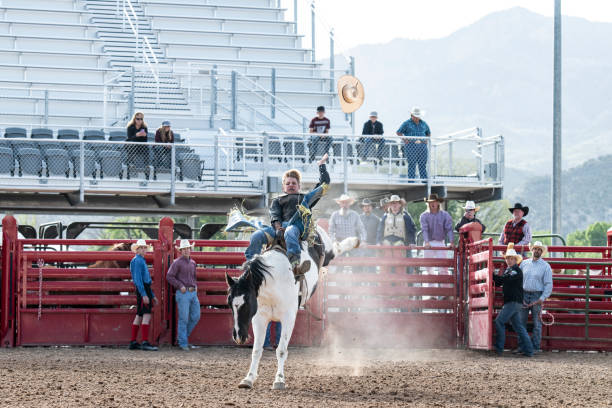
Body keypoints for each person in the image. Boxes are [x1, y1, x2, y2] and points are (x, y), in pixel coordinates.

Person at [244, 154, 330, 276]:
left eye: (294, 183)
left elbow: (324, 184)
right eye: (288, 183)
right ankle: (251, 266)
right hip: (278, 228)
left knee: (289, 231)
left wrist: (322, 166)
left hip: (297, 228)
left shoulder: (306, 198)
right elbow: (275, 216)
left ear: (299, 186)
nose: (291, 185)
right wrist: (278, 228)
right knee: (257, 235)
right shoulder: (277, 200)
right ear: (283, 187)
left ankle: (295, 264)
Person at [492, 243, 534, 357]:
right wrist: (493, 275)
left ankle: (499, 348)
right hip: (514, 302)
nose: (509, 260)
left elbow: (503, 280)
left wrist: (492, 274)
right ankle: (529, 350)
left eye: (511, 258)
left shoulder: (515, 271)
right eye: (507, 258)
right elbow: (501, 281)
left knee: (499, 321)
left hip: (513, 302)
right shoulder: (510, 270)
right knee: (519, 327)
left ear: (515, 260)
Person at [516, 241, 553, 354]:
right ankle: (522, 347)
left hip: (537, 295)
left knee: (537, 323)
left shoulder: (545, 266)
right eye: (535, 249)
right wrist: (519, 295)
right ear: (532, 250)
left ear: (541, 252)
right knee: (521, 322)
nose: (537, 251)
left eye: (539, 250)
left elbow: (548, 283)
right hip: (524, 294)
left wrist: (543, 297)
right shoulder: (523, 264)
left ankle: (536, 347)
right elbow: (518, 280)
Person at [166, 239, 201, 351]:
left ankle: (183, 338)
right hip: (183, 293)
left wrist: (195, 285)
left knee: (196, 316)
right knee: (184, 319)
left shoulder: (193, 263)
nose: (186, 250)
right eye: (184, 249)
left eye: (187, 248)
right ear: (180, 251)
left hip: (192, 292)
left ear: (190, 249)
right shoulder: (176, 262)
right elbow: (169, 276)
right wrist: (180, 285)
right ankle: (183, 342)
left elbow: (194, 277)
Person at [129, 239, 158, 351]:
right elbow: (138, 279)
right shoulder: (138, 261)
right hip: (143, 290)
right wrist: (144, 294)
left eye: (145, 247)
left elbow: (144, 280)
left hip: (144, 289)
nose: (144, 249)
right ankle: (145, 342)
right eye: (141, 248)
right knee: (146, 315)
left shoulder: (140, 260)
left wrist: (151, 294)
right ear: (137, 249)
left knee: (140, 315)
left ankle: (133, 341)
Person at [377, 195, 416, 274]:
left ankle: (405, 284)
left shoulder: (405, 216)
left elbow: (411, 229)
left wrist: (412, 241)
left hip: (400, 243)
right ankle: (388, 284)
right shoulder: (385, 216)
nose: (394, 205)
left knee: (401, 266)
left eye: (396, 203)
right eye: (392, 203)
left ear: (400, 204)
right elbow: (380, 230)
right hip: (387, 244)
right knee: (386, 265)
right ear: (390, 205)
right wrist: (378, 241)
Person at [396, 107, 430, 180]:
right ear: (412, 115)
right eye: (416, 116)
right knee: (412, 164)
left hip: (422, 146)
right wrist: (405, 140)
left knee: (422, 165)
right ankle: (411, 181)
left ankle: (424, 182)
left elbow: (428, 133)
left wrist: (426, 140)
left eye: (418, 116)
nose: (417, 118)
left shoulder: (424, 123)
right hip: (411, 146)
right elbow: (399, 132)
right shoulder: (406, 123)